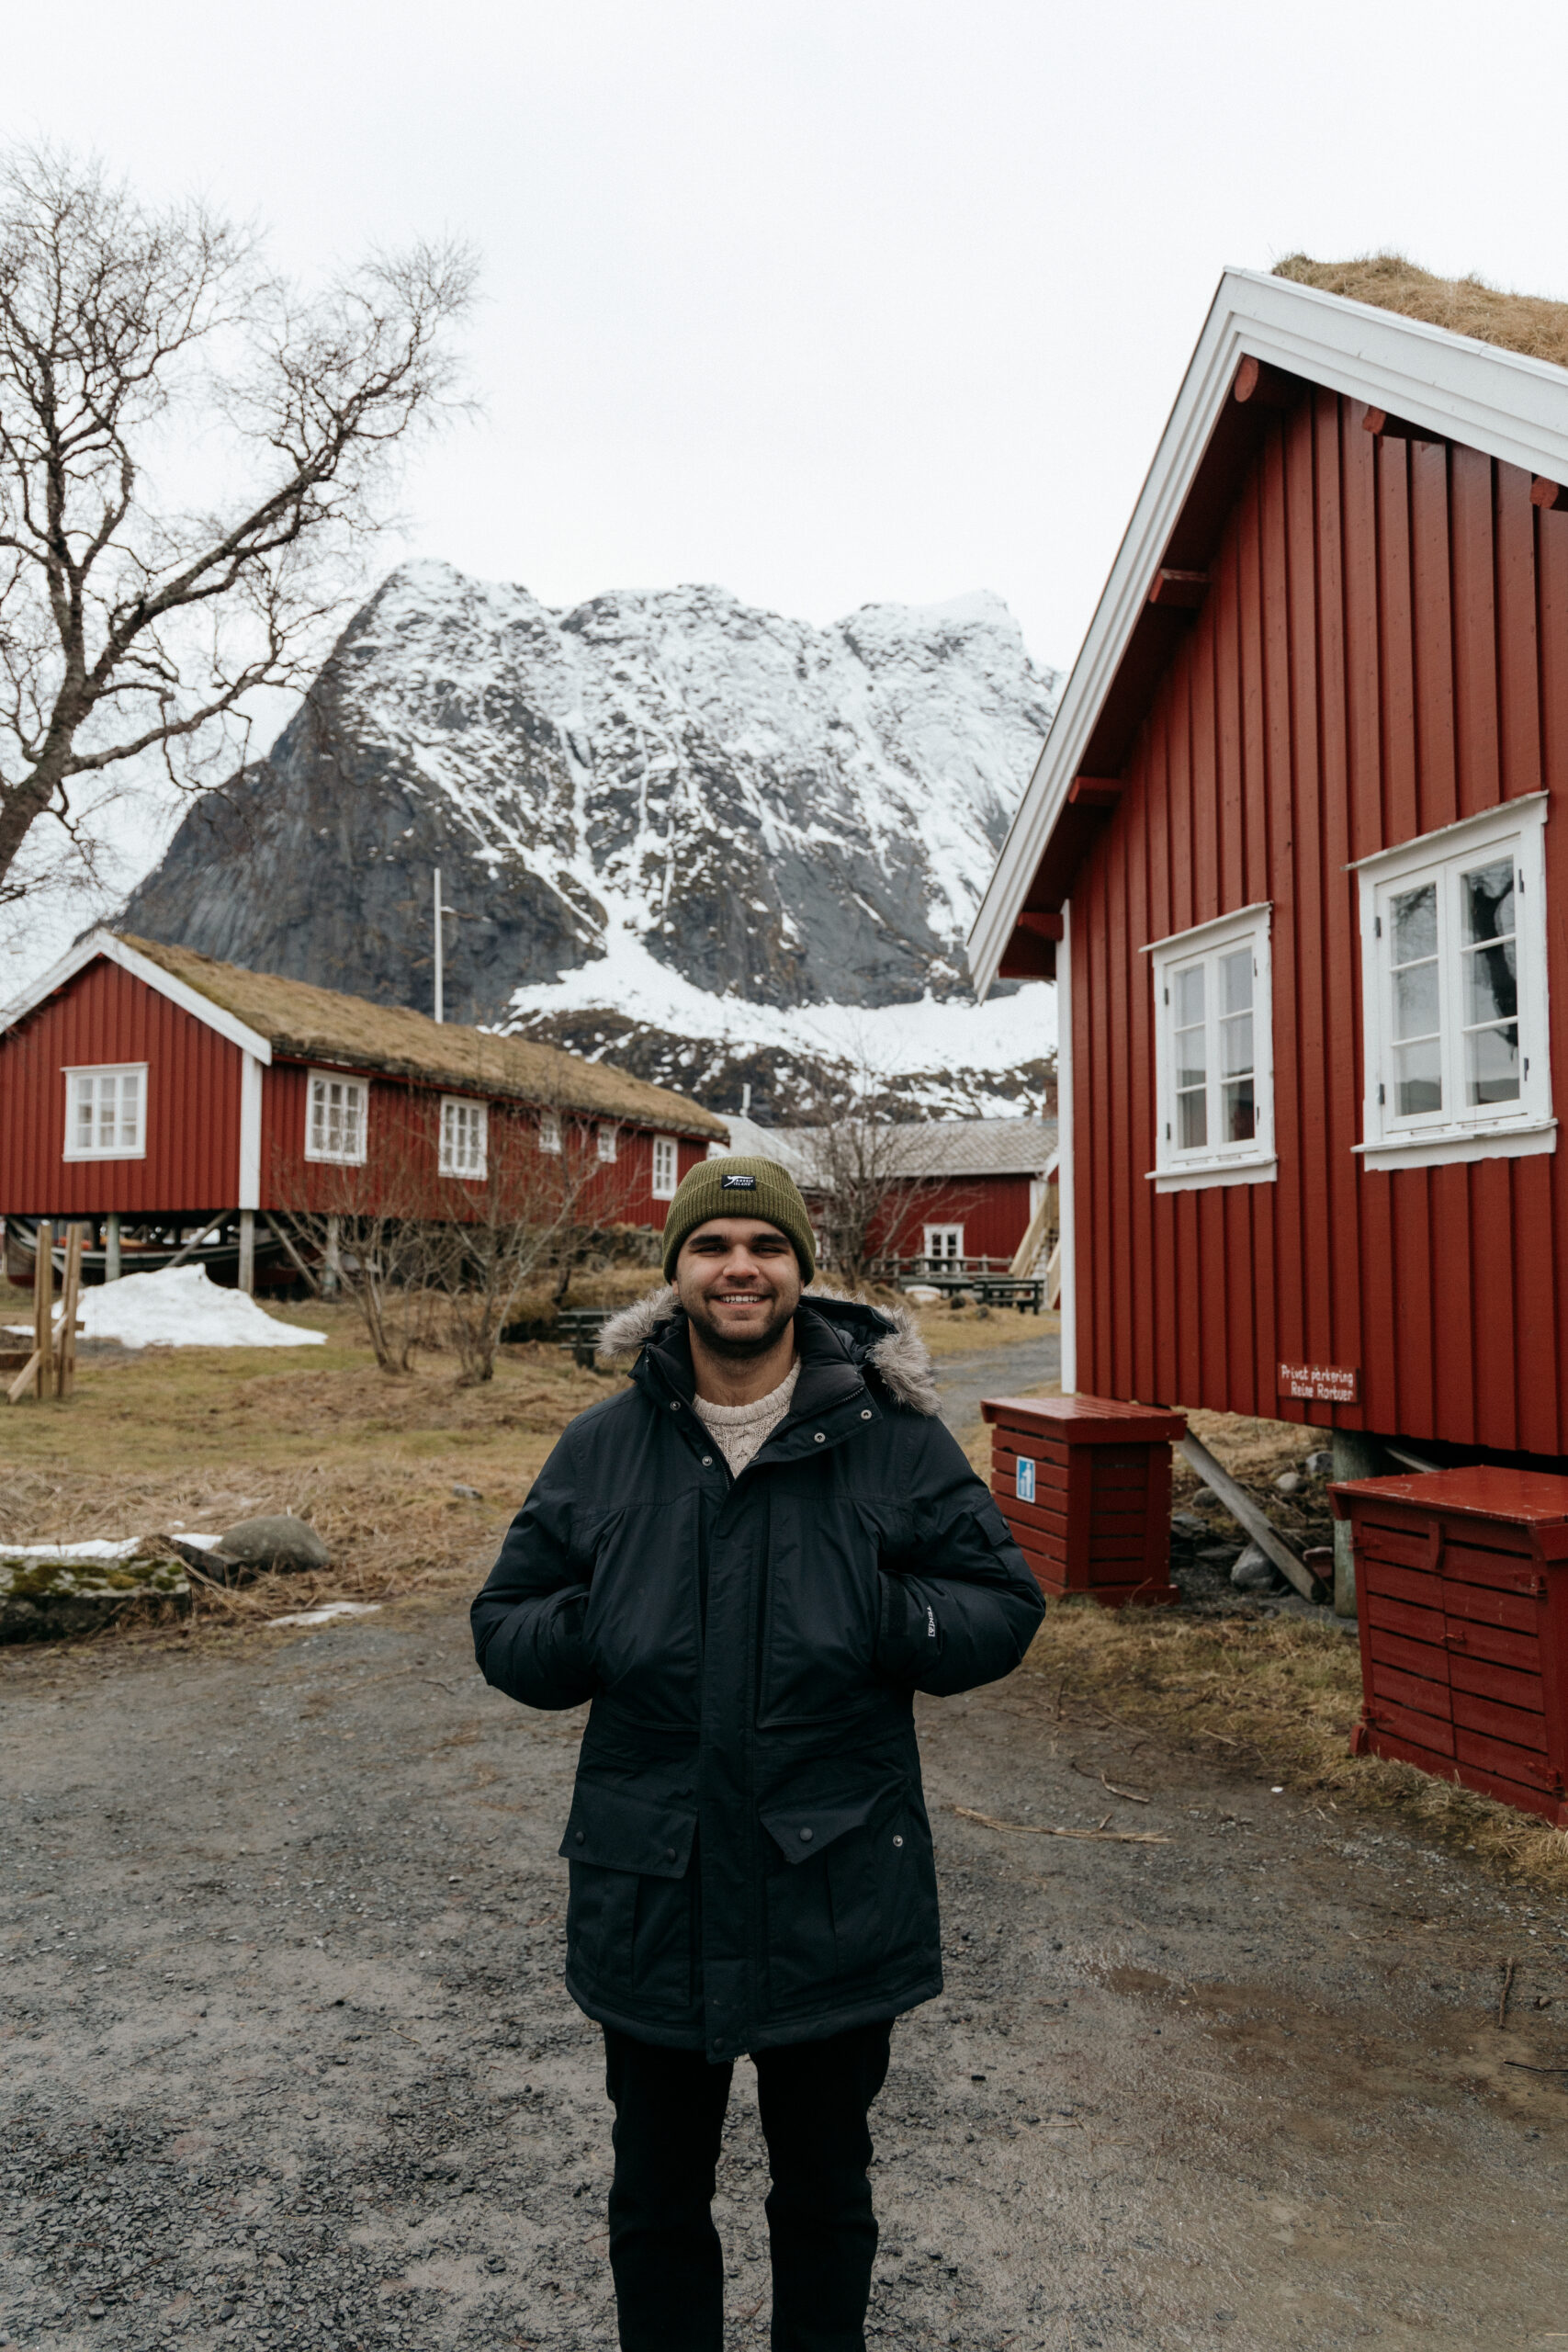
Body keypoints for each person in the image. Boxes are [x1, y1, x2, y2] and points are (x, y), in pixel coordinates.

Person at [471, 1153, 1044, 2352]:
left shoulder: (893, 1442)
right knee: (656, 2197)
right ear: (675, 1273)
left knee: (826, 2195)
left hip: (834, 1883)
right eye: (714, 1245)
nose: (741, 1267)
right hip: (655, 1887)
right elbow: (508, 1628)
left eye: (767, 1245)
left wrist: (880, 1618)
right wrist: (602, 1625)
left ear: (802, 1271)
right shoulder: (600, 1449)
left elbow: (1001, 1605)